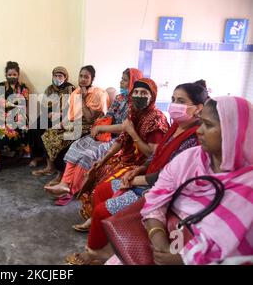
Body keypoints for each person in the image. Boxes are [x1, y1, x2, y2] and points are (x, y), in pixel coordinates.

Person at [66, 80, 208, 265]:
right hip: (143, 171)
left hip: (157, 189)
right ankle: (106, 243)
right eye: (173, 99)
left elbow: (169, 173)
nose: (174, 105)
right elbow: (157, 156)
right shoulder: (175, 126)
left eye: (181, 101)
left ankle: (94, 253)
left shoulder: (193, 137)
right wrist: (139, 169)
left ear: (198, 108)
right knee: (101, 189)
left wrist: (136, 179)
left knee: (102, 209)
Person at [104, 96, 253, 265]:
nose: (200, 131)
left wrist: (185, 260)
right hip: (159, 242)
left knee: (107, 201)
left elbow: (239, 250)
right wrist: (160, 242)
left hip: (199, 258)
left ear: (234, 130)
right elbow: (155, 198)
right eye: (201, 122)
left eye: (209, 125)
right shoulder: (190, 159)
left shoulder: (248, 186)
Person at [76, 78, 169, 230]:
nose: (139, 95)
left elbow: (152, 154)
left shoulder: (156, 120)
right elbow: (121, 139)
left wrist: (133, 132)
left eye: (144, 93)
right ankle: (96, 216)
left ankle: (101, 220)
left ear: (152, 96)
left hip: (141, 166)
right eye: (136, 92)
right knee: (98, 170)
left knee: (106, 182)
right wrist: (103, 159)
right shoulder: (134, 112)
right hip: (125, 157)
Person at [44, 68, 143, 205]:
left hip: (118, 139)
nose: (121, 82)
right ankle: (64, 182)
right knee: (76, 146)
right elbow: (109, 115)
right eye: (121, 78)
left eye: (125, 80)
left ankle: (71, 191)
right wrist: (100, 126)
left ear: (133, 82)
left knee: (88, 154)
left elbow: (124, 128)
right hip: (104, 132)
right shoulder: (120, 98)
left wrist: (101, 128)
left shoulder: (135, 105)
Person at [37, 65, 109, 202]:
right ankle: (57, 170)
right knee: (49, 134)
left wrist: (82, 99)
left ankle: (61, 176)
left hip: (88, 127)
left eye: (86, 77)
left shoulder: (99, 94)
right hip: (73, 124)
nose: (82, 79)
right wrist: (62, 122)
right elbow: (69, 113)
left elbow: (90, 118)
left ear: (92, 79)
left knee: (61, 141)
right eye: (81, 76)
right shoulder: (75, 92)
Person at [28, 66, 75, 171]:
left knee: (46, 130)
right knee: (33, 128)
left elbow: (73, 108)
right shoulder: (49, 89)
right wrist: (48, 113)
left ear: (65, 77)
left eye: (60, 76)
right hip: (49, 115)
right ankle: (38, 157)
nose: (57, 78)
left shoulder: (70, 88)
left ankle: (50, 162)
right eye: (55, 75)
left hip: (64, 117)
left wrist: (59, 114)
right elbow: (44, 106)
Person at [0, 61, 30, 173]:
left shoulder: (23, 87)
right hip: (4, 115)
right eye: (10, 75)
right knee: (0, 131)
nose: (12, 77)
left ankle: (19, 155)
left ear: (18, 74)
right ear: (6, 75)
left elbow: (24, 103)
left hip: (19, 115)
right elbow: (0, 104)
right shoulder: (1, 86)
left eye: (14, 74)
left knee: (24, 129)